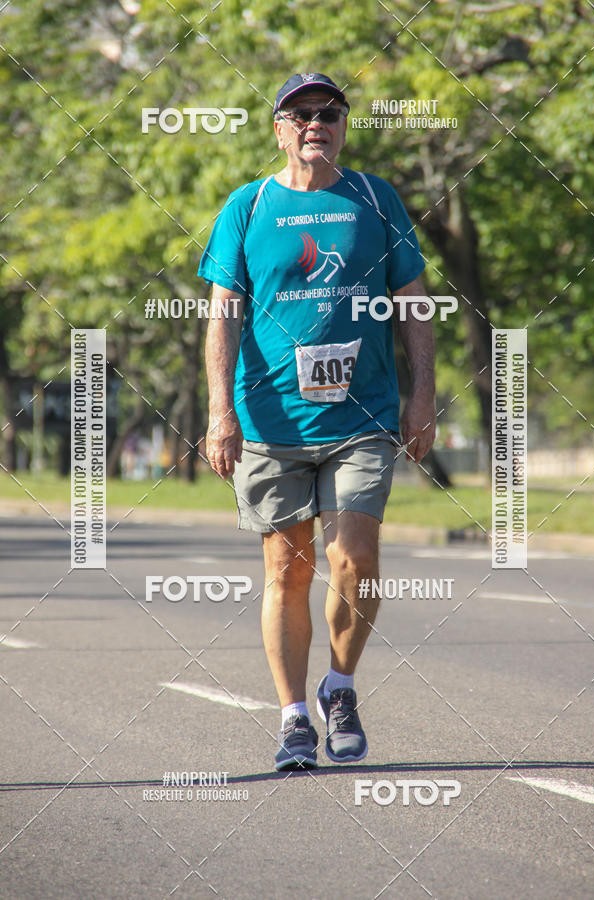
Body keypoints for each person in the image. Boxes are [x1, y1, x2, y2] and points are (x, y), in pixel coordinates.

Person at [198, 73, 435, 771]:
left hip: (362, 415)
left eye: (328, 113)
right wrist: (219, 413)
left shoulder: (373, 199)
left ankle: (340, 686)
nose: (315, 123)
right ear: (278, 128)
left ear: (342, 126)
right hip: (271, 421)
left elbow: (416, 303)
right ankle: (294, 716)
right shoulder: (249, 207)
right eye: (300, 113)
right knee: (287, 569)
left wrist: (422, 398)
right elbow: (222, 316)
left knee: (354, 558)